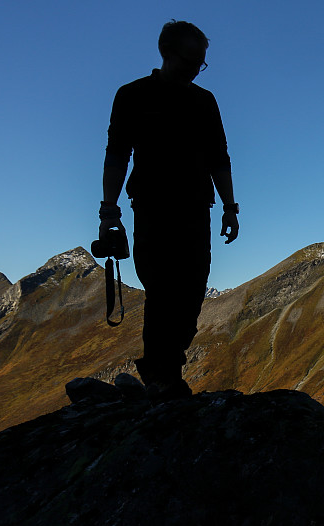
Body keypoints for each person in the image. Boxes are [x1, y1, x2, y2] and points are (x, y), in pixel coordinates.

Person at [99, 20, 238, 400]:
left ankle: (164, 370)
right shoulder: (132, 96)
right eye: (192, 59)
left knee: (192, 288)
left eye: (201, 62)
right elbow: (117, 153)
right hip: (152, 206)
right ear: (167, 53)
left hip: (196, 207)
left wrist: (230, 206)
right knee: (161, 288)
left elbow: (219, 157)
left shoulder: (204, 101)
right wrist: (108, 210)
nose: (197, 68)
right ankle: (162, 377)